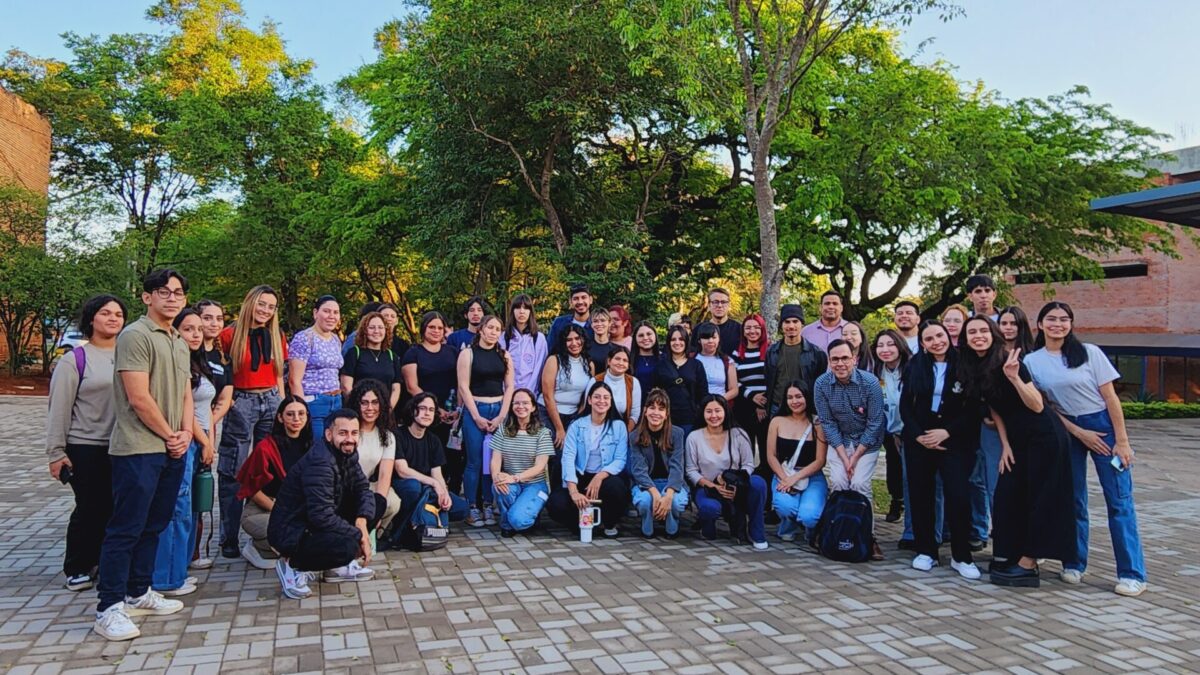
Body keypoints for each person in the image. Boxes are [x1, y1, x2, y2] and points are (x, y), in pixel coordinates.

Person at [93, 269, 193, 642]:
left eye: (178, 292)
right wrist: (170, 435)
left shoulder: (178, 340)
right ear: (147, 297)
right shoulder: (135, 335)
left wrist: (184, 434)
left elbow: (185, 392)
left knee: (155, 523)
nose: (172, 298)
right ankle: (109, 606)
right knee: (126, 527)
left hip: (172, 447)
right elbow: (138, 397)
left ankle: (139, 590)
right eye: (163, 292)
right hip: (139, 448)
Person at [1025, 302, 1146, 596]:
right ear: (1040, 325)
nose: (1058, 324)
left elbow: (1111, 398)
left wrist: (1122, 441)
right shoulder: (1032, 361)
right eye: (1051, 319)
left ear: (1071, 324)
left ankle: (1132, 573)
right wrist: (1079, 432)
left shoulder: (1090, 353)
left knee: (1119, 501)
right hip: (1068, 430)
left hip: (1103, 425)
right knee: (1073, 499)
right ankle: (1074, 561)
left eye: (1064, 319)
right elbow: (1047, 408)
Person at [959, 316, 1076, 588]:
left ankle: (1028, 562)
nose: (978, 335)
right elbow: (995, 410)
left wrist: (1014, 379)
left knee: (1040, 498)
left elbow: (1036, 405)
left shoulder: (1009, 361)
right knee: (1008, 496)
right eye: (972, 331)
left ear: (993, 334)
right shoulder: (974, 366)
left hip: (1044, 436)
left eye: (983, 331)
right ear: (965, 339)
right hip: (1018, 441)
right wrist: (1006, 445)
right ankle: (1008, 553)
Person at [47, 294, 127, 593]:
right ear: (91, 318)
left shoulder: (128, 354)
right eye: (105, 313)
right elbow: (59, 409)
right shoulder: (75, 360)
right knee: (91, 507)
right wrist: (56, 453)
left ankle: (103, 562)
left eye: (118, 314)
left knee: (116, 508)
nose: (113, 319)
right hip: (86, 445)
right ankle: (78, 565)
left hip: (123, 444)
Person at [268, 410, 385, 599]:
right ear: (329, 435)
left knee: (377, 502)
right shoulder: (320, 463)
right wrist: (358, 535)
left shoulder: (348, 454)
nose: (350, 439)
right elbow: (321, 515)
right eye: (343, 433)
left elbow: (363, 489)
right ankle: (291, 565)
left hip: (315, 520)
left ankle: (336, 569)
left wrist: (361, 523)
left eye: (354, 433)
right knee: (346, 546)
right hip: (292, 532)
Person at [899, 321, 981, 579]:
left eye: (939, 336)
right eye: (929, 339)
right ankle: (926, 551)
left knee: (958, 496)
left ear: (948, 336)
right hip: (920, 439)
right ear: (922, 343)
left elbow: (974, 408)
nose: (936, 342)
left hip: (953, 439)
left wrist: (947, 432)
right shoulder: (915, 366)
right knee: (921, 496)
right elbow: (905, 406)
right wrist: (917, 435)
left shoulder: (965, 364)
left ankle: (961, 555)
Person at [217, 285, 287, 560]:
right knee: (234, 469)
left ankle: (259, 530)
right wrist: (227, 401)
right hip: (241, 400)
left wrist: (281, 404)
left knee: (266, 469)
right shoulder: (229, 336)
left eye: (271, 307)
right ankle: (229, 535)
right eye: (262, 304)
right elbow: (219, 372)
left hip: (270, 399)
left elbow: (278, 373)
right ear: (250, 303)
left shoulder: (276, 335)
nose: (265, 311)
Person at [150, 308, 216, 597]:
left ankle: (180, 569)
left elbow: (206, 410)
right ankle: (166, 578)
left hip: (200, 441)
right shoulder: (175, 364)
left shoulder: (197, 363)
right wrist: (203, 441)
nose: (195, 335)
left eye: (199, 330)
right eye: (188, 329)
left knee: (191, 509)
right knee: (176, 509)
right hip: (185, 440)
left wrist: (209, 441)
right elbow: (182, 411)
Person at [814, 339, 886, 561]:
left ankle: (868, 537)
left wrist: (855, 457)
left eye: (845, 358)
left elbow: (875, 422)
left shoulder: (870, 383)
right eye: (835, 359)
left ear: (854, 359)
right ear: (829, 361)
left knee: (859, 484)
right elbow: (827, 422)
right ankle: (835, 532)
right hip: (840, 442)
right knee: (838, 482)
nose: (840, 363)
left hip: (867, 442)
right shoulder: (822, 384)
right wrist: (845, 457)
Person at [235, 395, 312, 569]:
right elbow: (251, 489)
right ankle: (257, 547)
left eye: (301, 414)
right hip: (264, 507)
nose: (296, 419)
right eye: (290, 414)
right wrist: (281, 510)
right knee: (290, 531)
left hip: (297, 507)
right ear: (280, 417)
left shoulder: (312, 446)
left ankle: (273, 549)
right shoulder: (266, 448)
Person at [546, 381, 630, 536]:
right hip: (580, 475)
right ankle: (580, 523)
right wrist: (573, 491)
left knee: (617, 489)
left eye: (606, 398)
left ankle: (608, 523)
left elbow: (620, 460)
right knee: (556, 504)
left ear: (611, 402)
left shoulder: (619, 426)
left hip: (604, 477)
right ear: (589, 400)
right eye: (597, 397)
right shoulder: (576, 425)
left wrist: (600, 476)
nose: (601, 401)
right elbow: (568, 458)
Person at [686, 395, 768, 549]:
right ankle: (707, 527)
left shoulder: (738, 434)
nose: (714, 416)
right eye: (709, 411)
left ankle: (757, 532)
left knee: (758, 483)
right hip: (708, 488)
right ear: (702, 413)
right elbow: (691, 470)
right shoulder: (694, 437)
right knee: (709, 509)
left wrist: (736, 483)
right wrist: (714, 486)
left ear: (725, 411)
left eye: (718, 410)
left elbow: (749, 464)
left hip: (737, 485)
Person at [457, 315, 514, 527]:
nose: (493, 332)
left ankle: (489, 504)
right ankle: (473, 506)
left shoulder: (505, 355)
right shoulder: (467, 354)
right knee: (474, 461)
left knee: (494, 462)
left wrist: (502, 415)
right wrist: (475, 416)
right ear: (481, 329)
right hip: (476, 409)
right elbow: (463, 386)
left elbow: (510, 386)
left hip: (498, 409)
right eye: (490, 327)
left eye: (497, 329)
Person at [391, 393, 469, 547]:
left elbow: (437, 474)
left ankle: (428, 520)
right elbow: (402, 470)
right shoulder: (398, 435)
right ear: (413, 410)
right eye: (423, 408)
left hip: (427, 489)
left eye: (431, 410)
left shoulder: (433, 440)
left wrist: (443, 493)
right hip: (403, 486)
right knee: (413, 487)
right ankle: (405, 527)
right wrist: (434, 483)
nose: (427, 413)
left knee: (462, 508)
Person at [190, 299, 232, 571]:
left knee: (200, 491)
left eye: (218, 318)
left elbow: (225, 398)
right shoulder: (187, 353)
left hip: (207, 431)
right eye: (208, 318)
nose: (214, 324)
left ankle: (193, 552)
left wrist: (209, 426)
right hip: (184, 431)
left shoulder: (220, 358)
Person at [401, 311, 462, 490]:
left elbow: (461, 382)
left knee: (453, 455)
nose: (436, 331)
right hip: (424, 414)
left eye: (440, 328)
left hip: (452, 413)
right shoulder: (413, 353)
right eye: (432, 327)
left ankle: (453, 492)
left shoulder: (453, 352)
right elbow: (412, 386)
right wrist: (436, 410)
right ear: (423, 329)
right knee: (430, 454)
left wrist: (458, 409)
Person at [765, 381, 828, 542]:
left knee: (809, 516)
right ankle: (788, 525)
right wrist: (785, 479)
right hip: (784, 473)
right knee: (785, 507)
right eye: (790, 397)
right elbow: (771, 455)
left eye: (799, 396)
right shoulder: (777, 421)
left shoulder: (817, 423)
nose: (795, 401)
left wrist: (795, 478)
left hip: (811, 475)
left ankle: (811, 527)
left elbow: (820, 460)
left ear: (807, 397)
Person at [346, 380, 402, 549]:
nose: (370, 408)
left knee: (392, 502)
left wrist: (377, 512)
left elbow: (385, 476)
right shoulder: (349, 431)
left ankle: (373, 533)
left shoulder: (387, 436)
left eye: (375, 402)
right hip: (345, 485)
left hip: (367, 485)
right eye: (364, 403)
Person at [490, 388, 555, 536]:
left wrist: (515, 477)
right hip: (511, 482)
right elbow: (495, 459)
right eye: (516, 403)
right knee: (499, 487)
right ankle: (507, 525)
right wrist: (497, 477)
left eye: (525, 403)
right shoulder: (502, 430)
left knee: (519, 521)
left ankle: (522, 518)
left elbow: (540, 466)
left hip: (535, 484)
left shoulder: (543, 433)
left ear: (533, 407)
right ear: (511, 406)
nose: (521, 406)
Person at [870, 330, 917, 532]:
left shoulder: (913, 368)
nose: (885, 350)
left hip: (912, 431)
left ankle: (912, 531)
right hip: (889, 429)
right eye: (880, 345)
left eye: (890, 344)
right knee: (895, 471)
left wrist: (905, 431)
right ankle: (899, 506)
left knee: (913, 480)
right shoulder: (878, 371)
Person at [627, 389, 689, 538]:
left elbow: (677, 467)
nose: (656, 413)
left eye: (661, 409)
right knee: (644, 501)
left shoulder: (677, 433)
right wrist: (655, 493)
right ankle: (647, 522)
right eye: (652, 408)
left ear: (667, 414)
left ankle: (672, 523)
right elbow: (638, 470)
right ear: (645, 411)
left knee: (675, 502)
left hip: (670, 483)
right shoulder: (635, 436)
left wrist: (668, 495)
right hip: (646, 484)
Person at [288, 295, 344, 439]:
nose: (331, 316)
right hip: (314, 402)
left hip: (336, 401)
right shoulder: (304, 338)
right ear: (315, 313)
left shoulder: (335, 339)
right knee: (317, 447)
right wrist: (301, 411)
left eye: (335, 312)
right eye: (326, 311)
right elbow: (295, 380)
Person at [764, 304, 828, 416]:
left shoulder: (816, 353)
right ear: (781, 325)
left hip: (806, 407)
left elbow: (820, 383)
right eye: (787, 322)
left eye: (795, 321)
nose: (791, 326)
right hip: (777, 406)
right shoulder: (771, 352)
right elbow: (768, 379)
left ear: (802, 324)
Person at [539, 324, 594, 449]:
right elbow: (547, 396)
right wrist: (559, 429)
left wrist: (576, 422)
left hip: (573, 415)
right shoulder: (554, 360)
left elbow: (585, 398)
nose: (574, 343)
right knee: (556, 450)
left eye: (577, 338)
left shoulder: (589, 364)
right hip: (548, 413)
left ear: (583, 340)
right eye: (569, 340)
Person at [340, 311, 403, 411]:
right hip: (359, 411)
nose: (376, 331)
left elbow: (396, 388)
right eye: (372, 327)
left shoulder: (392, 356)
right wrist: (363, 407)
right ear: (364, 330)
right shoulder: (354, 353)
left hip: (384, 413)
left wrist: (388, 409)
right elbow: (346, 387)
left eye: (380, 327)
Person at [653, 325, 707, 435]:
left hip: (690, 419)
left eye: (681, 339)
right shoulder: (661, 366)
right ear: (668, 342)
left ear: (687, 341)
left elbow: (703, 394)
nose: (677, 342)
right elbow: (655, 393)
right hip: (666, 419)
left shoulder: (696, 365)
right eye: (673, 339)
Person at [499, 293, 548, 396]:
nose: (521, 311)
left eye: (525, 308)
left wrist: (528, 393)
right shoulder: (503, 337)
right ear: (512, 311)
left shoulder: (539, 338)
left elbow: (539, 369)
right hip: (506, 394)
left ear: (530, 311)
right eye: (518, 308)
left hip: (530, 394)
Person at [595, 345, 642, 431]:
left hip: (623, 429)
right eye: (617, 359)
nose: (620, 363)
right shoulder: (596, 380)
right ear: (609, 361)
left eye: (625, 360)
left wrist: (625, 434)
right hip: (597, 429)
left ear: (628, 365)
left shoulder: (633, 382)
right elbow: (588, 408)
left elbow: (634, 414)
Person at [693, 322, 739, 401]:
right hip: (696, 407)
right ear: (699, 340)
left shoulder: (727, 361)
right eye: (706, 338)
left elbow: (734, 390)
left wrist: (718, 401)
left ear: (719, 339)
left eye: (714, 337)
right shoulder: (691, 359)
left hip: (720, 406)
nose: (710, 341)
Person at [693, 288, 741, 354]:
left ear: (728, 305)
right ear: (709, 305)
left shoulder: (739, 329)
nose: (719, 305)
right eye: (715, 302)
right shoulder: (698, 329)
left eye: (723, 302)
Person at [547, 283, 595, 348]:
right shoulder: (559, 323)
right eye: (576, 298)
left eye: (584, 297)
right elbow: (550, 349)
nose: (580, 302)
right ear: (570, 302)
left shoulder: (597, 325)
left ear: (590, 300)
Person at [631, 321, 660, 404]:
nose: (645, 338)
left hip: (658, 407)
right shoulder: (628, 360)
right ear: (635, 338)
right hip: (635, 406)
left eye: (649, 334)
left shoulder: (664, 359)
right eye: (641, 335)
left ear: (655, 335)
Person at [586, 307, 616, 372]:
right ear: (591, 324)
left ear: (609, 323)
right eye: (595, 321)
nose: (599, 324)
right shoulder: (585, 347)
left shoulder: (616, 349)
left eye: (603, 320)